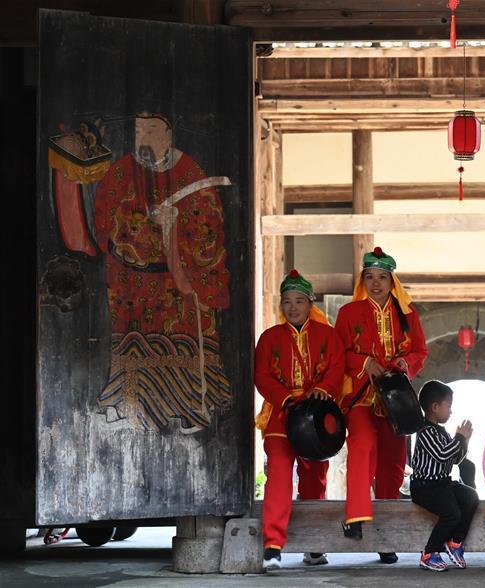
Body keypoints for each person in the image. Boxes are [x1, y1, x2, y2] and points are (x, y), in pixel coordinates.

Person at [92, 112, 232, 433]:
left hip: (179, 279)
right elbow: (106, 218)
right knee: (133, 345)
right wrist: (141, 224)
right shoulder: (121, 172)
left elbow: (208, 219)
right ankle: (128, 407)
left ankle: (190, 407)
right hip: (133, 281)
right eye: (139, 130)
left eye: (152, 130)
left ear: (168, 135)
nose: (145, 137)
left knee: (187, 344)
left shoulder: (189, 172)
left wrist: (176, 221)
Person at [335, 246, 428, 563]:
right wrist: (365, 362)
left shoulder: (408, 314)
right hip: (361, 394)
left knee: (393, 463)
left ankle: (386, 537)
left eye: (382, 277)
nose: (376, 283)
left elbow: (420, 351)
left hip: (395, 399)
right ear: (363, 281)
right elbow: (339, 352)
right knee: (363, 443)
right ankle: (355, 515)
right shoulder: (349, 313)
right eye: (370, 277)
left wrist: (405, 362)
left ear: (392, 281)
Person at [254, 270, 345, 570]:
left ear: (310, 303)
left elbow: (337, 367)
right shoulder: (270, 338)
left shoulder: (328, 335)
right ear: (281, 304)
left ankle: (314, 546)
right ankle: (272, 545)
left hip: (316, 417)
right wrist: (285, 398)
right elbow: (262, 376)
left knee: (315, 478)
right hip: (281, 416)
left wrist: (323, 389)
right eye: (287, 301)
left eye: (299, 301)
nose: (292, 307)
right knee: (279, 474)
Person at [410, 381, 477, 571]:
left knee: (470, 497)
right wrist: (459, 438)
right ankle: (429, 553)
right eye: (448, 406)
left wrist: (464, 441)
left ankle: (455, 543)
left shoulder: (442, 432)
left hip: (443, 484)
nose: (451, 411)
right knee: (451, 514)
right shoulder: (425, 432)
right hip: (425, 487)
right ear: (435, 407)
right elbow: (441, 454)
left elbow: (455, 459)